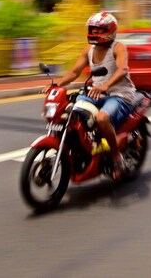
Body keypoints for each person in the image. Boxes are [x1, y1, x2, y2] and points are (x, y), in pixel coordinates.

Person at [47, 12, 143, 180]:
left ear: (110, 31)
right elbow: (75, 71)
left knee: (101, 119)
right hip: (95, 93)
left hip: (120, 94)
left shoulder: (118, 47)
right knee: (69, 112)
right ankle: (84, 147)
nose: (95, 33)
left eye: (99, 30)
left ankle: (116, 157)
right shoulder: (89, 50)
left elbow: (122, 69)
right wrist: (57, 84)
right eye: (93, 30)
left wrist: (105, 85)